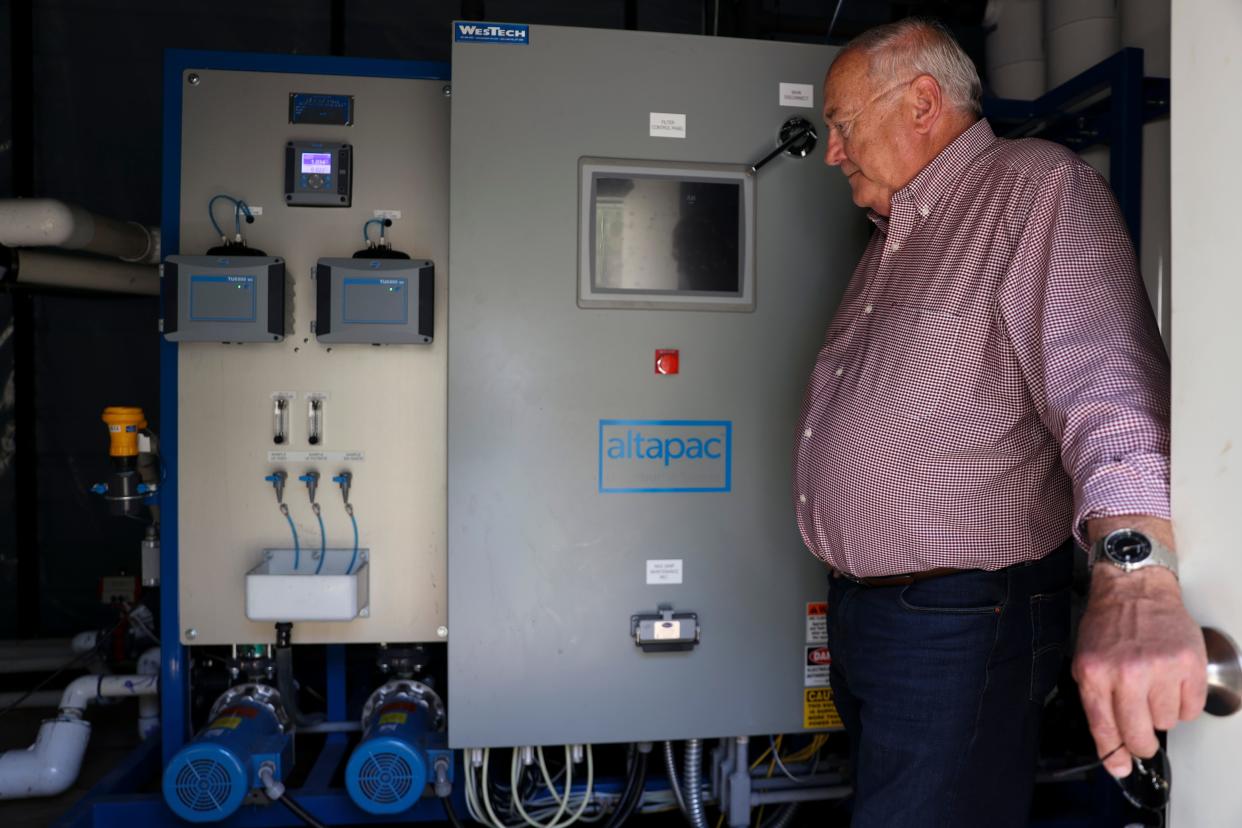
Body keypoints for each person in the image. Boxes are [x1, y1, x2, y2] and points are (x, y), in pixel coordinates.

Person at [792, 18, 1207, 827]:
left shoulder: (1033, 189)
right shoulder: (896, 237)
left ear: (921, 101)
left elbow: (1106, 387)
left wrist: (1134, 573)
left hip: (956, 624)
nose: (833, 151)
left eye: (841, 125)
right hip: (878, 616)